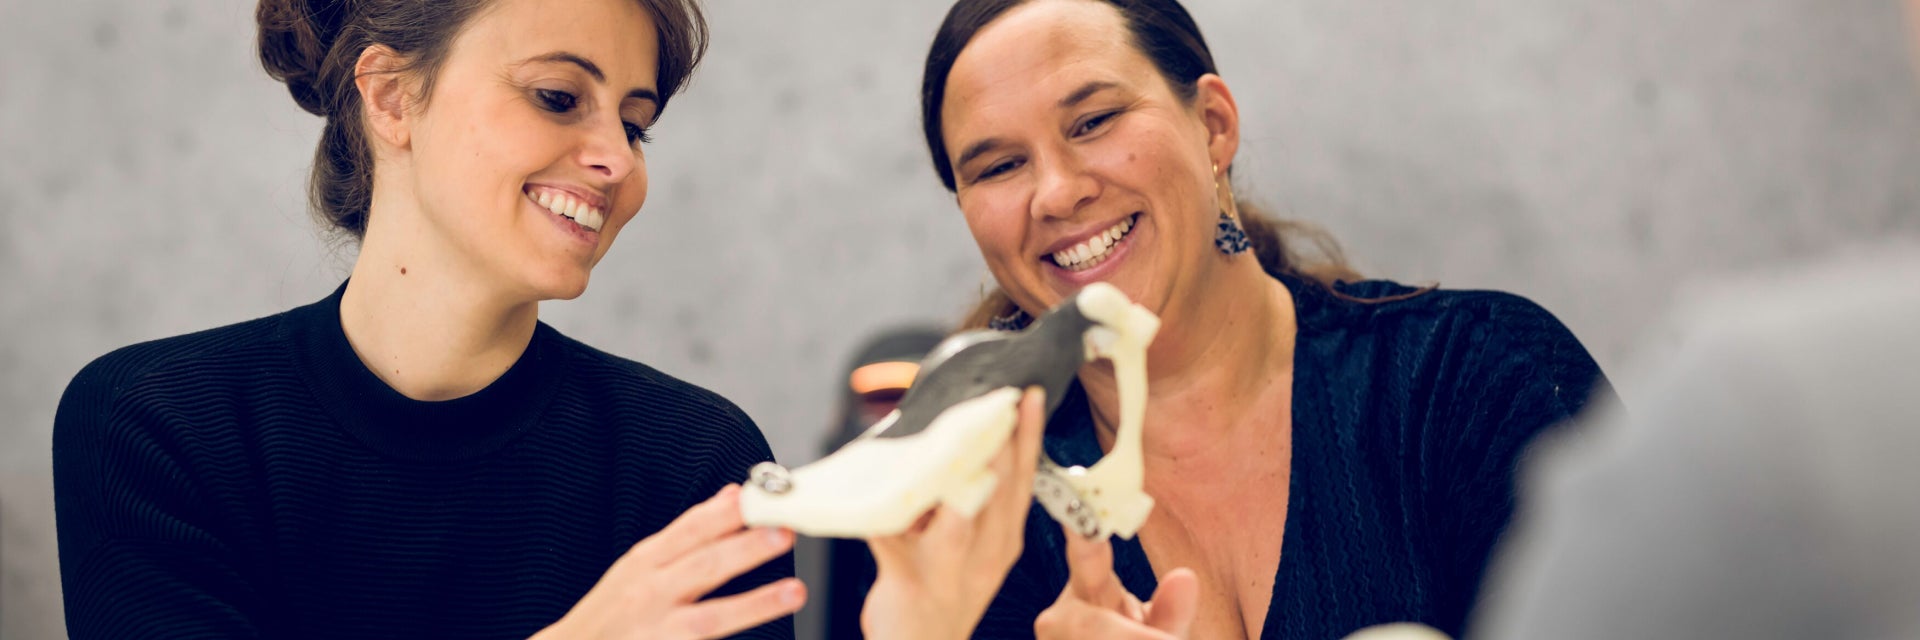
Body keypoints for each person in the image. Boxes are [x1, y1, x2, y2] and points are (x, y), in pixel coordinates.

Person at [855, 1, 1616, 638]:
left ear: (1214, 124)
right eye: (997, 167)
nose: (1054, 194)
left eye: (1093, 121)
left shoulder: (1478, 379)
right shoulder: (967, 516)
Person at [52, 0, 804, 637]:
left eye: (636, 125)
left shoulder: (695, 464)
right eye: (557, 95)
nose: (618, 160)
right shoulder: (154, 425)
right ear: (389, 96)